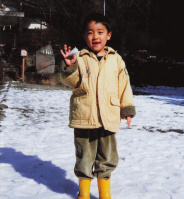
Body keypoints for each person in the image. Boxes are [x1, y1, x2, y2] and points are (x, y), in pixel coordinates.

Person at [60, 13, 136, 199]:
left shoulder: (116, 59)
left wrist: (126, 108)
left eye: (100, 32)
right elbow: (70, 82)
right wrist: (70, 67)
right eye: (90, 33)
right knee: (84, 157)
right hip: (84, 117)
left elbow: (124, 85)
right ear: (84, 36)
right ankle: (84, 194)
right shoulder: (80, 57)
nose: (95, 37)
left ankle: (105, 194)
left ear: (108, 35)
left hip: (108, 117)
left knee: (107, 157)